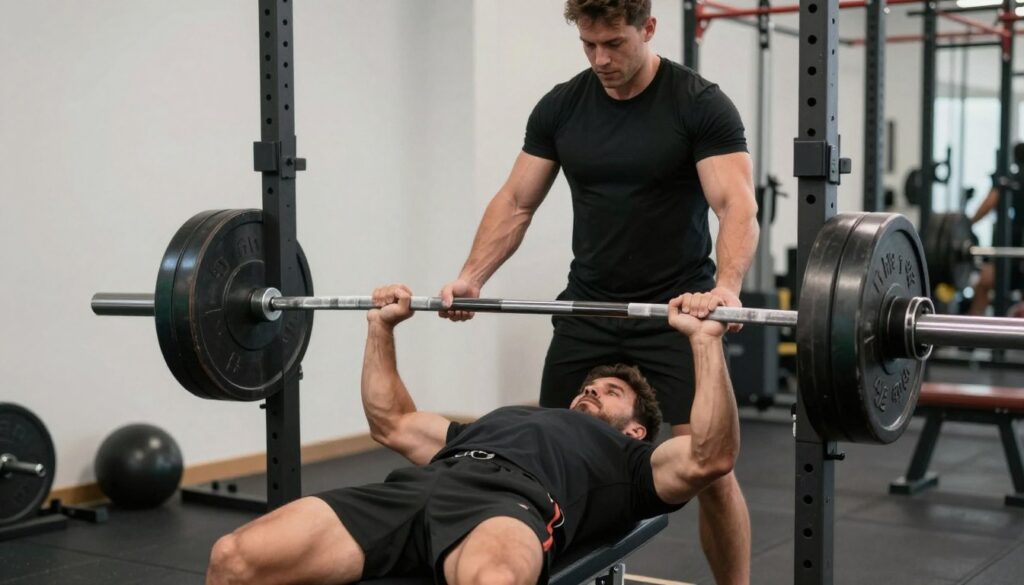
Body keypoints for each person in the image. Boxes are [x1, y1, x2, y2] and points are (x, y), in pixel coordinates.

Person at [437, 2, 757, 582]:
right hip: (588, 306)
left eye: (614, 43)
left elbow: (736, 203)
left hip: (674, 313)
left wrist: (727, 287)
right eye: (588, 45)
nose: (601, 58)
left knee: (711, 471)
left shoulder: (698, 103)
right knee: (543, 461)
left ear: (648, 29)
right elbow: (516, 202)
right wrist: (471, 276)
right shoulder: (562, 106)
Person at [205, 285, 740, 585]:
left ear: (638, 427)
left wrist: (704, 341)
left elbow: (709, 456)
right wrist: (379, 327)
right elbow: (392, 423)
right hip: (414, 490)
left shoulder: (630, 460)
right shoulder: (503, 418)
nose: (592, 392)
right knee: (235, 557)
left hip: (510, 507)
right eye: (589, 385)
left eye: (610, 392)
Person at [968, 143, 1024, 316]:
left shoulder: (1010, 180)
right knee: (984, 283)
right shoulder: (1010, 180)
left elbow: (989, 204)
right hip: (1011, 248)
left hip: (1013, 249)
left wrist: (968, 224)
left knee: (984, 284)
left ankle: (969, 336)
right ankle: (971, 334)